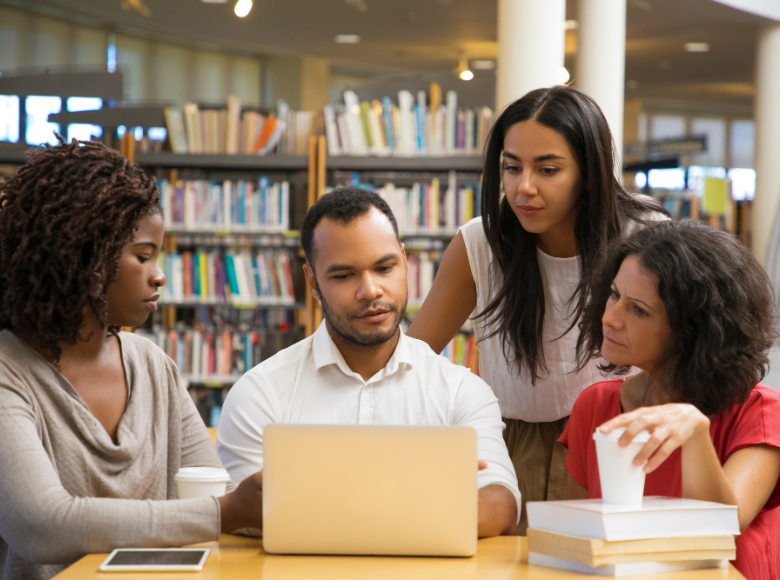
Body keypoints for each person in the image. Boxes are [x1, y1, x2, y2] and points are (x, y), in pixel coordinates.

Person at [406, 85, 668, 532]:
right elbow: (409, 361)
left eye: (547, 169)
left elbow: (677, 353)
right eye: (511, 168)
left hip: (617, 441)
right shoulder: (480, 243)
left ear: (588, 171)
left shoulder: (643, 236)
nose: (524, 188)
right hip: (509, 447)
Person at [0, 140, 264, 580]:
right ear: (83, 255)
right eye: (143, 256)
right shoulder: (10, 371)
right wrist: (223, 514)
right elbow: (41, 525)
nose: (159, 274)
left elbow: (219, 493)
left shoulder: (153, 365)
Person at [216, 187, 521, 538]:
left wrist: (320, 503)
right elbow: (250, 517)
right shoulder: (260, 394)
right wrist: (426, 499)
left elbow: (500, 506)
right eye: (344, 276)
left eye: (384, 267)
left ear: (405, 262)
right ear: (313, 283)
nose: (370, 290)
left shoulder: (462, 391)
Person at [560, 220, 780, 580]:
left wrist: (694, 433)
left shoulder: (759, 412)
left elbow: (721, 527)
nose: (610, 317)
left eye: (639, 310)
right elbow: (583, 544)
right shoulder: (595, 407)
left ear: (692, 330)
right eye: (614, 294)